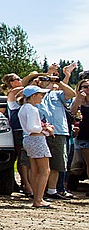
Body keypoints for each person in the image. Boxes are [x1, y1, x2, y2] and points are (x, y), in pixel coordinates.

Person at [26, 65, 77, 201]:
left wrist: (58, 81)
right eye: (40, 79)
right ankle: (35, 191)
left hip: (58, 131)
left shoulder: (56, 94)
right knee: (37, 165)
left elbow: (72, 94)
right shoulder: (32, 95)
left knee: (57, 163)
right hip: (40, 133)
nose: (43, 81)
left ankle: (52, 190)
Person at [18, 85, 54, 208]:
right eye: (40, 95)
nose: (41, 97)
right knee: (45, 170)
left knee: (34, 170)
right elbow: (32, 127)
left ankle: (36, 198)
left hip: (28, 139)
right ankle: (39, 199)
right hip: (36, 139)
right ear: (33, 96)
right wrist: (45, 129)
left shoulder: (23, 108)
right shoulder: (32, 109)